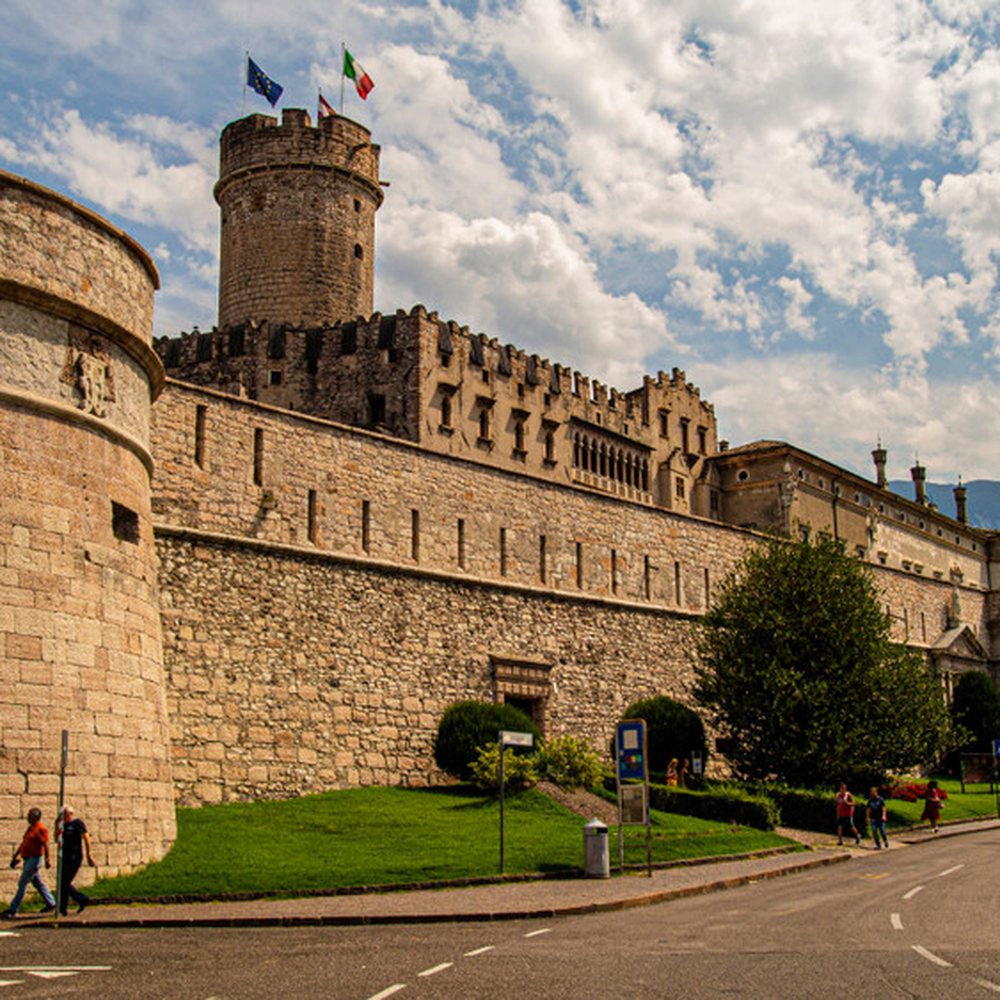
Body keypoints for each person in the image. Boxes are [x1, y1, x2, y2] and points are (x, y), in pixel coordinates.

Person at [2, 807, 55, 918]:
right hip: (27, 859)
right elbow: (23, 843)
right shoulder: (30, 828)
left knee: (22, 883)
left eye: (30, 816)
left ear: (35, 817)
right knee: (37, 883)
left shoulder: (40, 829)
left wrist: (47, 859)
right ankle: (51, 903)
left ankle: (13, 909)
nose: (27, 818)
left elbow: (45, 844)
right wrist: (15, 856)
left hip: (34, 859)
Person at [55, 805, 95, 916]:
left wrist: (89, 854)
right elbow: (56, 839)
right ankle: (63, 908)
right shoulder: (62, 826)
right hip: (65, 857)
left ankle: (81, 899)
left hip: (75, 857)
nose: (62, 817)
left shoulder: (77, 824)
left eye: (64, 815)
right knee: (62, 882)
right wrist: (56, 826)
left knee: (64, 882)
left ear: (69, 814)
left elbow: (86, 838)